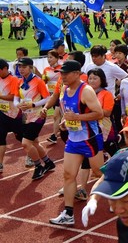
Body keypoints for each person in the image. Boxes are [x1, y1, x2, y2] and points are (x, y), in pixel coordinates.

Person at [47, 60, 104, 226]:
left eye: (65, 73)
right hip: (73, 140)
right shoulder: (65, 89)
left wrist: (77, 118)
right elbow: (69, 112)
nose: (62, 76)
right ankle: (68, 213)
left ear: (77, 73)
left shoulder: (86, 91)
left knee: (99, 173)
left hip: (90, 139)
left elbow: (99, 113)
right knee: (68, 175)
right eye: (61, 73)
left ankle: (120, 197)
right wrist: (66, 121)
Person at [16, 57, 55, 180]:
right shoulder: (20, 81)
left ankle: (38, 166)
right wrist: (18, 103)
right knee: (35, 142)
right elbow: (16, 97)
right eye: (19, 67)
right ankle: (48, 162)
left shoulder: (38, 81)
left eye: (24, 67)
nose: (21, 69)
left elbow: (47, 98)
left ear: (30, 67)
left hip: (38, 116)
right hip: (26, 116)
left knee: (26, 144)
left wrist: (33, 104)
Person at [0, 58, 23, 173]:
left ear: (5, 68)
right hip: (2, 114)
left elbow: (13, 97)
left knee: (22, 138)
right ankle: (0, 163)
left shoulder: (14, 80)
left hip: (15, 114)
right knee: (0, 137)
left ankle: (31, 155)